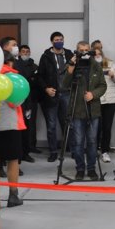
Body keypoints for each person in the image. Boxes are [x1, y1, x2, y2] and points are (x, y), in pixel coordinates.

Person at [63, 41, 107, 181]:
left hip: (93, 110)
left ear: (90, 51)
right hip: (77, 110)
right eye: (81, 50)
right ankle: (80, 169)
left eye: (86, 50)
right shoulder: (73, 65)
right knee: (78, 141)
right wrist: (70, 69)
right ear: (77, 51)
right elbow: (64, 85)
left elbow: (103, 85)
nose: (84, 53)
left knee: (92, 141)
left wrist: (93, 94)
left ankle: (91, 169)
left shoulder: (96, 66)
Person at [36, 32, 74, 162]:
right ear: (52, 42)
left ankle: (72, 149)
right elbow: (40, 76)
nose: (59, 41)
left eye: (61, 39)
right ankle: (53, 152)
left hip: (67, 93)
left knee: (68, 123)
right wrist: (46, 89)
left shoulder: (69, 54)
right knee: (51, 125)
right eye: (56, 40)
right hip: (52, 95)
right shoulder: (46, 56)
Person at [0, 51, 26, 207]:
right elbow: (16, 101)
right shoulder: (11, 77)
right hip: (9, 124)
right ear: (10, 62)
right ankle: (13, 195)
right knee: (13, 160)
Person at [94, 47, 115, 162]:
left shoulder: (110, 64)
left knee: (107, 127)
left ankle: (105, 151)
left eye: (99, 54)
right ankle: (94, 150)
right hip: (95, 100)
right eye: (95, 54)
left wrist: (113, 75)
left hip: (109, 101)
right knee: (95, 127)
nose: (97, 56)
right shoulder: (89, 65)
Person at [18, 45, 41, 155]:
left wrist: (31, 79)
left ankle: (32, 146)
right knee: (21, 123)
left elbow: (37, 81)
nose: (25, 53)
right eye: (23, 51)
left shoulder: (34, 66)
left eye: (27, 51)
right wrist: (30, 78)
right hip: (19, 99)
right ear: (19, 53)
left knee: (32, 124)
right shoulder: (16, 65)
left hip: (32, 99)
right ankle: (22, 148)